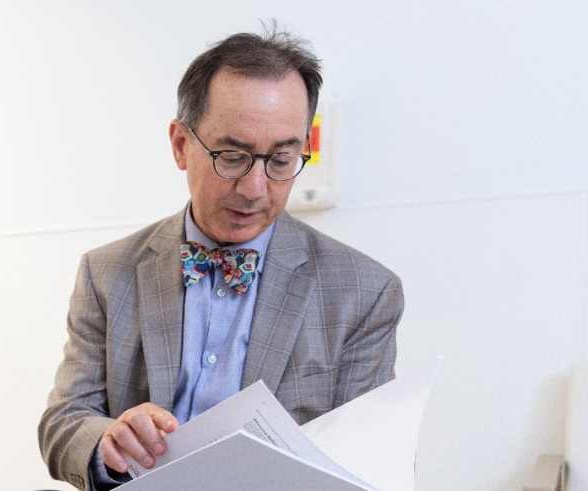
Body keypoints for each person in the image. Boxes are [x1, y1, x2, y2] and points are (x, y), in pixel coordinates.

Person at [38, 26, 404, 490]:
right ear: (179, 145)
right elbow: (63, 422)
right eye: (232, 156)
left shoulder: (365, 292)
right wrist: (108, 440)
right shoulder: (107, 273)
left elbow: (366, 458)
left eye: (280, 160)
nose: (254, 189)